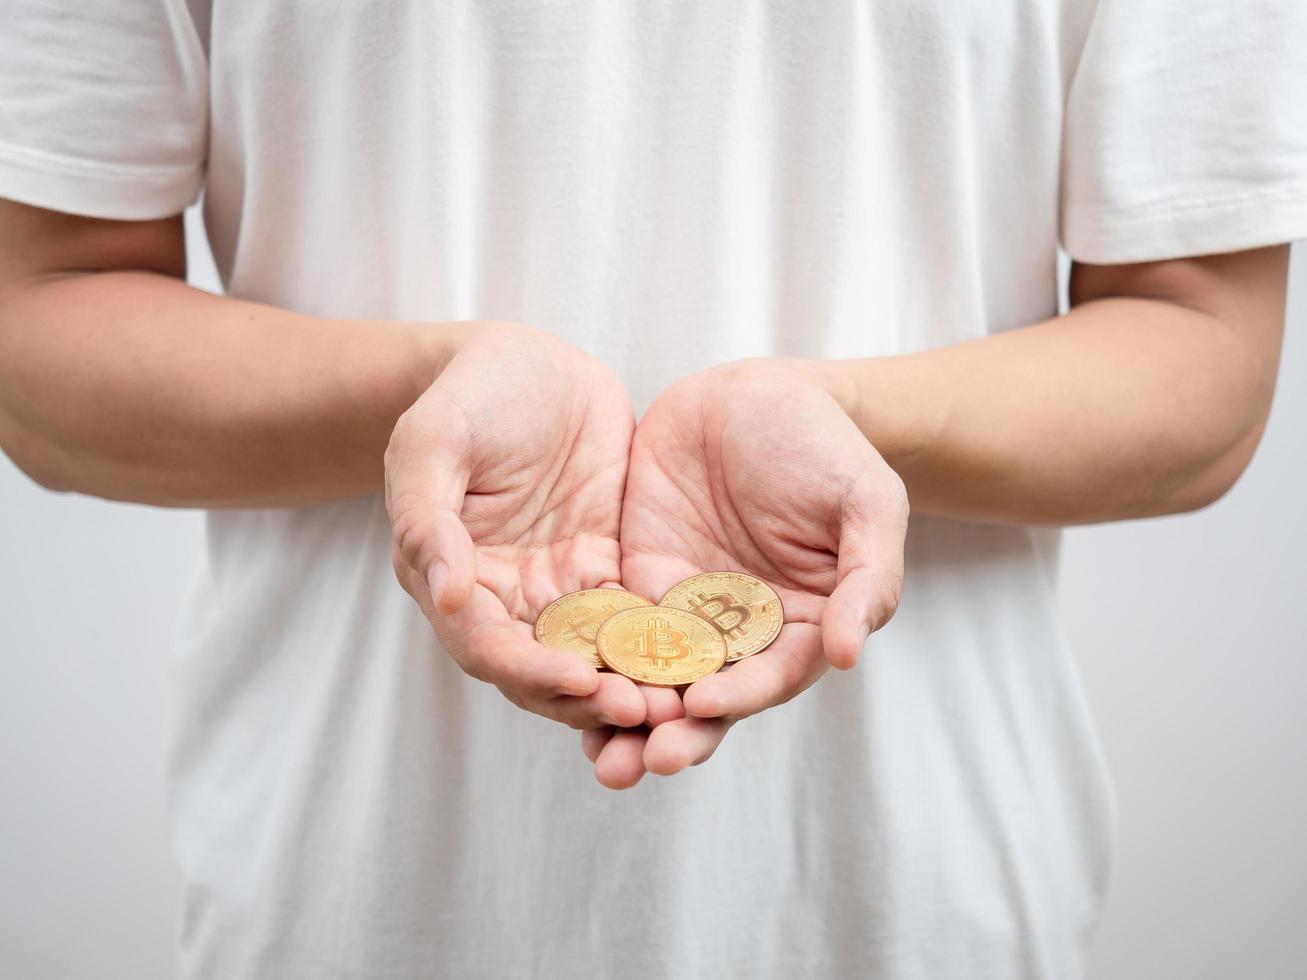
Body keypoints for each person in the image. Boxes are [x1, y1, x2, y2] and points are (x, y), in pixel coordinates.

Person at [1, 1, 1303, 977]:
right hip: (351, 907)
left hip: (915, 908)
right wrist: (421, 389)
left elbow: (1205, 360)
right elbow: (40, 337)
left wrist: (851, 420)